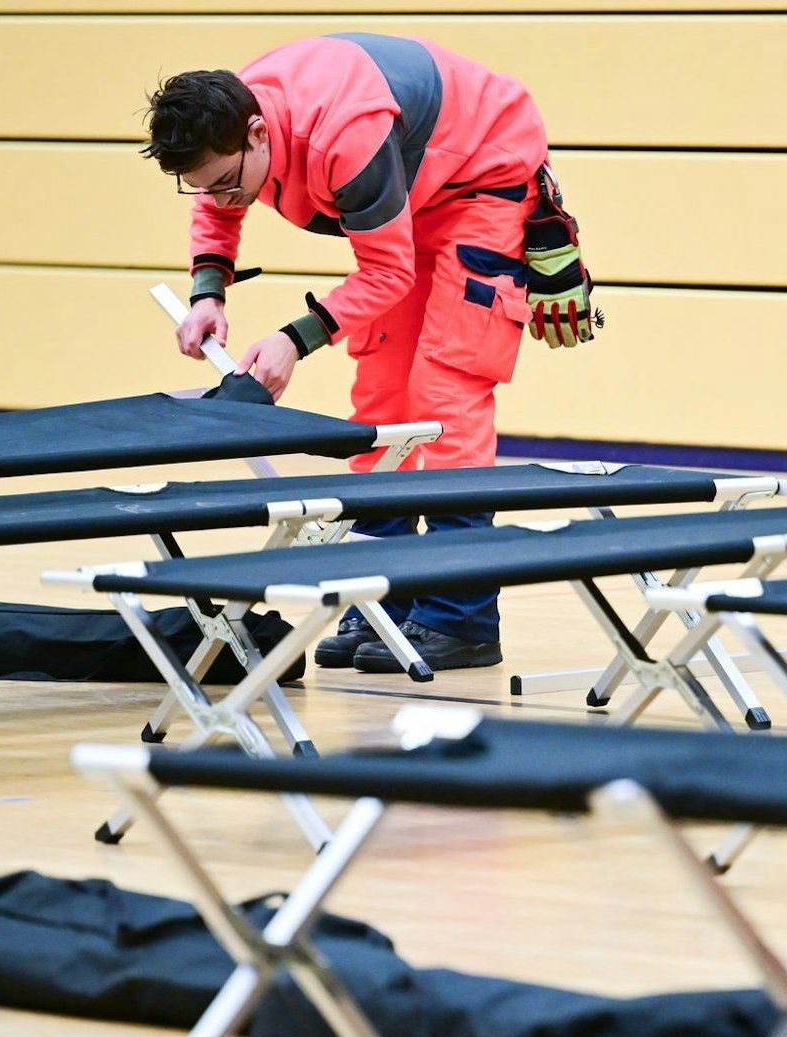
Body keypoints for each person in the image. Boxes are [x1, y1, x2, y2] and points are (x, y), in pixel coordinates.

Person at [142, 32, 598, 673]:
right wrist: (208, 289)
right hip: (415, 192)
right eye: (201, 187)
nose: (220, 198)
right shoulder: (230, 124)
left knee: (447, 395)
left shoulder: (344, 134)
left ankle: (460, 616)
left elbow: (388, 275)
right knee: (380, 402)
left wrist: (293, 341)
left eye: (225, 181)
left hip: (484, 182)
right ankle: (381, 596)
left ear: (257, 132)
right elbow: (220, 213)